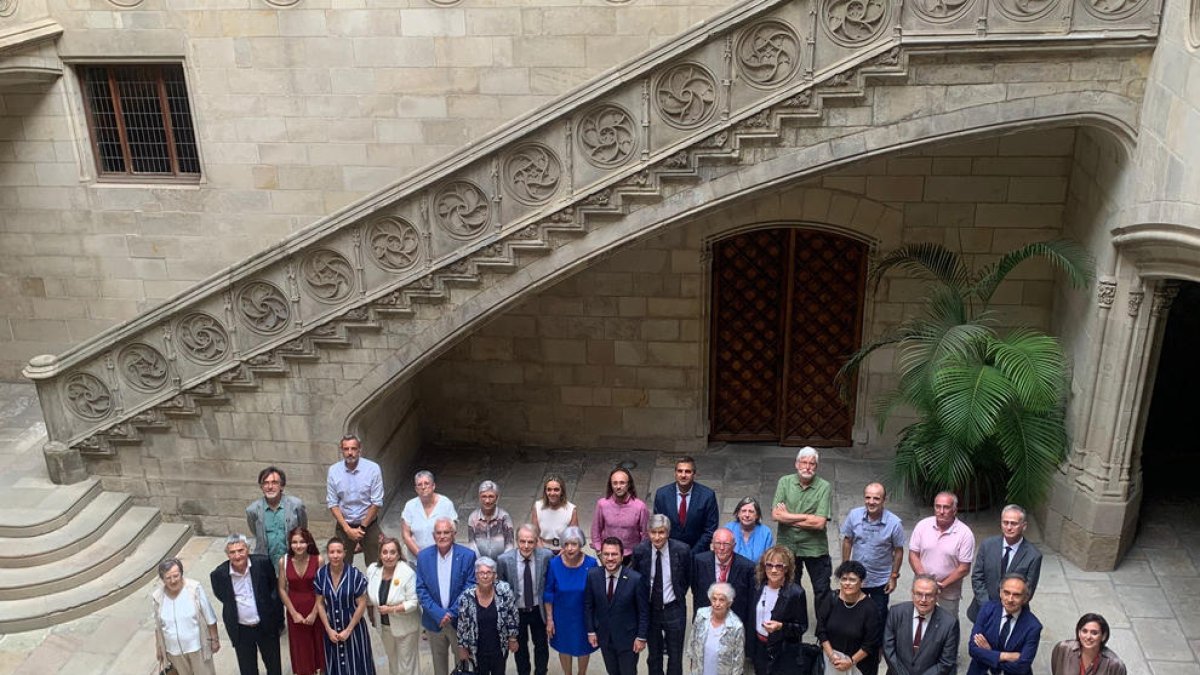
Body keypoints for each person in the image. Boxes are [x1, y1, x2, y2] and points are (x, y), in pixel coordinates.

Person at [839, 482, 905, 652]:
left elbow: (898, 551)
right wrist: (846, 568)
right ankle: (854, 642)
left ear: (884, 500)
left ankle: (876, 647)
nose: (871, 501)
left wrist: (894, 576)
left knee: (878, 614)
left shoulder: (894, 523)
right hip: (856, 578)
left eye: (876, 498)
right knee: (853, 610)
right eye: (868, 497)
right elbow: (847, 540)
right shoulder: (854, 516)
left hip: (880, 579)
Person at [209, 534, 284, 675]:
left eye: (241, 550)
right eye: (232, 552)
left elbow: (273, 590)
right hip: (241, 631)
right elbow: (222, 597)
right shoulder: (219, 574)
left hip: (265, 626)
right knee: (248, 669)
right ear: (227, 554)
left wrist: (277, 621)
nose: (237, 556)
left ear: (248, 550)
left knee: (274, 667)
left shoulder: (262, 563)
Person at [771, 446, 833, 611]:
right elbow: (776, 515)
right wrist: (806, 517)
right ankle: (795, 627)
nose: (807, 467)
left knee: (822, 590)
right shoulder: (784, 482)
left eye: (811, 464)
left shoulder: (824, 486)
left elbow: (819, 523)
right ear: (796, 464)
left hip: (815, 547)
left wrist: (788, 517)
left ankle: (823, 632)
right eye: (803, 462)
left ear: (816, 467)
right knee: (791, 589)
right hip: (788, 546)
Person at [416, 517, 477, 675]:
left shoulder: (468, 556)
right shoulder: (423, 557)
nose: (442, 536)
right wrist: (439, 614)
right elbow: (421, 589)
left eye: (446, 532)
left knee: (463, 666)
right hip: (434, 622)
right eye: (438, 533)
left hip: (459, 622)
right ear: (433, 535)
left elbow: (469, 587)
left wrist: (451, 613)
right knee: (439, 667)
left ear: (454, 534)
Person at [633, 514, 692, 675]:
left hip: (674, 608)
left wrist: (677, 594)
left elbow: (686, 578)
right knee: (654, 655)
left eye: (661, 532)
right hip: (651, 609)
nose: (657, 537)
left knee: (675, 655)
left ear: (668, 533)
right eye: (653, 532)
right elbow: (636, 579)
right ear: (648, 533)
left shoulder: (682, 550)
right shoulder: (640, 551)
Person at [584, 537, 649, 675]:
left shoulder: (635, 579)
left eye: (614, 554)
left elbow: (643, 611)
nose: (610, 558)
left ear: (622, 555)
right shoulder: (592, 575)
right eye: (606, 554)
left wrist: (641, 637)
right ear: (600, 555)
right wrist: (591, 631)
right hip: (605, 638)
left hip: (628, 641)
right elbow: (589, 605)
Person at [968, 504, 1042, 622]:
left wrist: (1006, 609)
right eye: (1005, 522)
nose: (1009, 527)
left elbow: (1028, 590)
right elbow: (977, 577)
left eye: (1014, 523)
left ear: (1024, 526)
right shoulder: (987, 545)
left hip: (1013, 614)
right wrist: (988, 607)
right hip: (983, 609)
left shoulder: (1033, 555)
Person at [498, 524, 554, 675]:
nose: (526, 546)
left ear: (537, 542)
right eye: (522, 541)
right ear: (517, 541)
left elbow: (550, 582)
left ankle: (541, 672)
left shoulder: (546, 557)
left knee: (541, 645)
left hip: (538, 610)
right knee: (520, 648)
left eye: (530, 542)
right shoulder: (504, 560)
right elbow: (501, 590)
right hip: (517, 611)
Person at [908, 491, 974, 618]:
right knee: (918, 620)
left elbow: (964, 567)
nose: (941, 511)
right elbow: (913, 555)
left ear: (954, 510)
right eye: (938, 507)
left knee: (947, 625)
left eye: (946, 507)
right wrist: (925, 580)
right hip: (922, 588)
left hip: (948, 592)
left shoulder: (965, 534)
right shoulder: (923, 526)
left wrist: (942, 585)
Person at [691, 528, 755, 657]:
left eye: (726, 544)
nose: (721, 548)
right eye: (717, 543)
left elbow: (749, 600)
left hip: (733, 625)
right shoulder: (698, 561)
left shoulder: (747, 567)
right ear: (712, 544)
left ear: (734, 546)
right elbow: (695, 589)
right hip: (707, 623)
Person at [314, 538, 375, 675]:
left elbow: (362, 604)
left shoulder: (355, 575)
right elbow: (320, 603)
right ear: (327, 554)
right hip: (332, 627)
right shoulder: (321, 574)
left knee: (357, 665)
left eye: (339, 552)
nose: (335, 555)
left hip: (353, 626)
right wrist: (328, 629)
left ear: (344, 553)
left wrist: (348, 630)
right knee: (334, 665)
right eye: (332, 552)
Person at [545, 526, 599, 675]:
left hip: (583, 616)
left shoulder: (591, 564)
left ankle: (582, 673)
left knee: (583, 647)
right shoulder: (554, 564)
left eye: (574, 544)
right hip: (561, 616)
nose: (569, 548)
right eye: (566, 544)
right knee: (564, 647)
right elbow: (548, 593)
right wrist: (550, 619)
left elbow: (596, 594)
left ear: (581, 544)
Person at [152, 558, 220, 675]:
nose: (173, 581)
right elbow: (158, 625)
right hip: (174, 651)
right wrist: (159, 647)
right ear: (162, 579)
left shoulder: (194, 589)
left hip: (197, 647)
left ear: (181, 574)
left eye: (176, 576)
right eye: (168, 578)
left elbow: (209, 616)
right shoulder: (158, 597)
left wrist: (214, 639)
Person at [881, 575, 958, 675]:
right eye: (919, 594)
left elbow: (946, 662)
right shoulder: (896, 612)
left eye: (929, 595)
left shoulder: (949, 623)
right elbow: (888, 648)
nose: (923, 600)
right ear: (912, 594)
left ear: (936, 596)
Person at [966, 575, 1042, 675]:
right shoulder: (987, 609)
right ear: (1001, 593)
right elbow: (973, 649)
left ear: (1025, 598)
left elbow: (1022, 666)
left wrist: (989, 652)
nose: (1010, 599)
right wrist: (1005, 656)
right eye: (1006, 593)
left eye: (1016, 595)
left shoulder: (1033, 626)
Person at [456, 557, 520, 675]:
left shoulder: (504, 591)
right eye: (481, 573)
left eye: (488, 573)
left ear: (495, 575)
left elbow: (513, 615)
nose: (485, 576)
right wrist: (462, 646)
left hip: (499, 647)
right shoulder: (467, 597)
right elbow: (462, 624)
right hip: (477, 648)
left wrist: (512, 638)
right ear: (476, 576)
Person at [327, 434, 385, 566]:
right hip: (344, 525)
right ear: (341, 450)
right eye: (346, 449)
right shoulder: (334, 471)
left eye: (353, 448)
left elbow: (376, 501)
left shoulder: (372, 469)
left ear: (360, 449)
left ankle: (373, 587)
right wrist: (347, 530)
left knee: (377, 565)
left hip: (368, 524)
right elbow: (332, 503)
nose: (350, 453)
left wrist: (362, 528)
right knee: (340, 564)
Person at [366, 537, 421, 675]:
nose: (388, 556)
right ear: (380, 554)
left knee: (407, 666)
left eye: (392, 552)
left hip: (406, 627)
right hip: (384, 627)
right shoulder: (373, 570)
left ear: (398, 554)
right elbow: (368, 595)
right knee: (393, 662)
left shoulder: (407, 573)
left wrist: (391, 609)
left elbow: (413, 602)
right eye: (385, 552)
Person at [750, 545, 808, 675]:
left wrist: (781, 626)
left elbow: (802, 627)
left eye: (779, 566)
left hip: (783, 651)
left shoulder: (796, 593)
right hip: (759, 648)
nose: (774, 570)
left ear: (786, 569)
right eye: (769, 565)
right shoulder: (757, 587)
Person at [816, 560, 881, 675]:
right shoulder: (831, 599)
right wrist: (831, 655)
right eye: (844, 579)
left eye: (852, 580)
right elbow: (821, 630)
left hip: (858, 664)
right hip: (831, 660)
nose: (847, 583)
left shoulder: (870, 608)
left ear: (861, 582)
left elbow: (870, 643)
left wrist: (851, 661)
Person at [278, 527, 326, 675]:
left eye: (302, 542)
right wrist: (293, 613)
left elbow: (322, 589)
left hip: (315, 606)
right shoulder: (283, 561)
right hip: (295, 608)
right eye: (294, 542)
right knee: (300, 647)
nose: (298, 546)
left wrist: (314, 613)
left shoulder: (318, 560)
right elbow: (281, 588)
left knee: (318, 643)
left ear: (308, 542)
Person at [652, 456, 720, 555]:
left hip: (697, 554)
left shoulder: (707, 496)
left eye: (688, 471)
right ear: (675, 473)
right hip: (669, 553)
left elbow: (710, 530)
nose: (683, 475)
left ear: (694, 474)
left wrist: (692, 553)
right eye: (680, 471)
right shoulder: (662, 494)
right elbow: (659, 525)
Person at [246, 466, 308, 565]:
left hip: (292, 560)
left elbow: (303, 528)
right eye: (265, 483)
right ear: (261, 487)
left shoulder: (296, 505)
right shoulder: (252, 510)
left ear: (282, 486)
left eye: (274, 482)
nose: (270, 487)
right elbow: (255, 532)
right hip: (267, 562)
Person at [591, 467, 649, 565]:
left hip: (631, 557)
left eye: (622, 483)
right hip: (609, 555)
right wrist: (599, 551)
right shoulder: (602, 504)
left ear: (629, 484)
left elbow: (645, 534)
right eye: (615, 483)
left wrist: (639, 556)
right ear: (611, 485)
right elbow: (596, 529)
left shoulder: (640, 507)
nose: (618, 486)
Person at [685, 582, 746, 675]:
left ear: (729, 603)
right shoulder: (701, 615)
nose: (717, 604)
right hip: (701, 670)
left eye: (722, 600)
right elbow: (692, 641)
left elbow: (738, 660)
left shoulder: (736, 626)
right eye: (714, 599)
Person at [402, 470, 459, 558]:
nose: (423, 487)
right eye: (419, 485)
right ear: (416, 489)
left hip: (442, 557)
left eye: (426, 483)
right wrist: (421, 556)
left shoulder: (446, 504)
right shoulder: (410, 506)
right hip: (417, 559)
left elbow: (453, 531)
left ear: (433, 486)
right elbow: (406, 535)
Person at [1050, 613, 1127, 675]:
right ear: (1079, 632)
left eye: (1094, 633)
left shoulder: (1115, 665)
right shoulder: (1063, 648)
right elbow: (1056, 669)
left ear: (1103, 636)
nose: (1088, 637)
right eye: (1084, 631)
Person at [532, 473, 579, 555]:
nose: (552, 493)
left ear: (562, 491)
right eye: (549, 489)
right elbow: (534, 533)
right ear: (545, 491)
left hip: (564, 551)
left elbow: (573, 536)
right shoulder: (537, 507)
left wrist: (562, 554)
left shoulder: (571, 510)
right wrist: (543, 553)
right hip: (542, 549)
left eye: (556, 489)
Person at [468, 480, 516, 560]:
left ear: (497, 498)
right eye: (484, 496)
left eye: (491, 496)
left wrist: (502, 562)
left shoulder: (504, 517)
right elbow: (472, 544)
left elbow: (510, 545)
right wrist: (482, 562)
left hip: (501, 562)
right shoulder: (473, 517)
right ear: (479, 497)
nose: (487, 501)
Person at [723, 497, 774, 563]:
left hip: (756, 572)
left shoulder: (765, 533)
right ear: (738, 513)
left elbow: (769, 561)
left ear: (757, 515)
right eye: (743, 511)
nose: (747, 515)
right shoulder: (728, 529)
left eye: (751, 511)